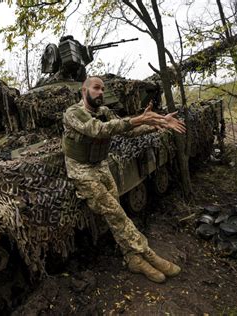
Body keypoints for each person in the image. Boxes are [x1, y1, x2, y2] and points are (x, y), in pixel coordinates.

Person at [62, 76, 186, 283]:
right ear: (84, 91)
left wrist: (158, 123)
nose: (100, 92)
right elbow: (99, 130)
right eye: (96, 88)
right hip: (81, 170)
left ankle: (132, 259)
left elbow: (128, 131)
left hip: (100, 165)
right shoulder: (73, 113)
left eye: (102, 89)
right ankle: (148, 254)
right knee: (115, 212)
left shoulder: (104, 112)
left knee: (115, 213)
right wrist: (139, 119)